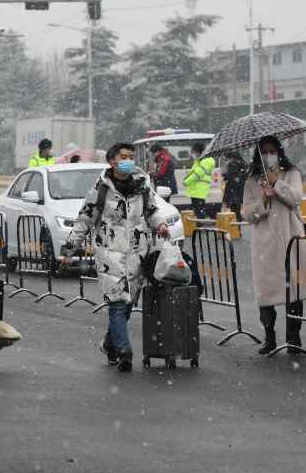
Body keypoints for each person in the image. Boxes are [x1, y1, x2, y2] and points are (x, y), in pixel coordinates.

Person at [60, 143, 170, 372]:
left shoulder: (142, 185)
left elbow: (152, 210)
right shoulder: (101, 189)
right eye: (123, 157)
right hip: (110, 253)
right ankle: (124, 352)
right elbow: (84, 221)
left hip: (138, 253)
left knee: (128, 305)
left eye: (131, 156)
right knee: (118, 304)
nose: (128, 160)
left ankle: (109, 345)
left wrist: (160, 224)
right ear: (112, 161)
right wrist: (69, 250)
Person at [242, 135, 306, 356]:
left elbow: (296, 199)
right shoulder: (252, 180)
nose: (269, 155)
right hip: (265, 243)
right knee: (266, 293)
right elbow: (248, 214)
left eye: (272, 151)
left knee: (294, 291)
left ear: (279, 152)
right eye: (264, 151)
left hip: (290, 237)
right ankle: (269, 337)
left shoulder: (291, 173)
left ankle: (294, 338)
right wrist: (262, 199)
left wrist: (276, 185)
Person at [183, 141, 215, 219]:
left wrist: (186, 182)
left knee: (199, 212)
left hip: (199, 190)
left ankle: (200, 227)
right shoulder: (201, 160)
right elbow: (194, 172)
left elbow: (198, 174)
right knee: (198, 211)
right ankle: (199, 227)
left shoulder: (206, 161)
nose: (194, 154)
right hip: (196, 190)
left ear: (198, 151)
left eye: (194, 152)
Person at [222, 151, 248, 221]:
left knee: (234, 213)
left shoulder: (232, 164)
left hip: (233, 193)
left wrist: (225, 174)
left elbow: (231, 177)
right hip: (239, 192)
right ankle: (238, 229)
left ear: (230, 157)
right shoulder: (242, 164)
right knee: (237, 212)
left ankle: (237, 230)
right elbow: (241, 177)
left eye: (227, 158)